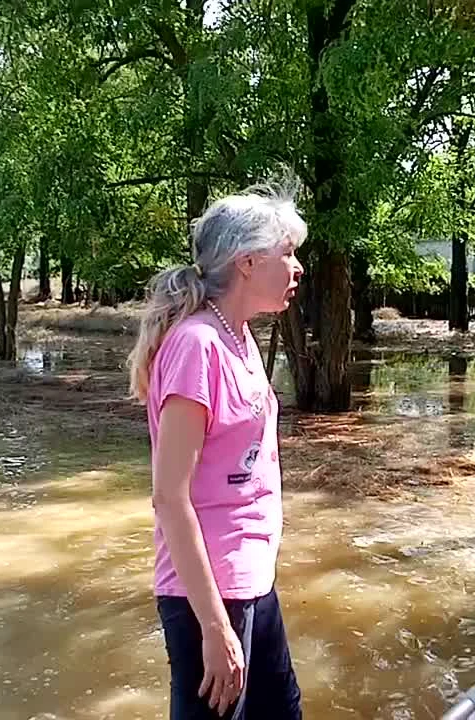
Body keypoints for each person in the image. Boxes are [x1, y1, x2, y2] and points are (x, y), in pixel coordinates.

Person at [127, 184, 305, 720]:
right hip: (210, 594)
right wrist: (214, 627)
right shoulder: (196, 346)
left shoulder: (239, 336)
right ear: (248, 263)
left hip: (251, 579)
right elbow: (169, 497)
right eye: (287, 254)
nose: (297, 268)